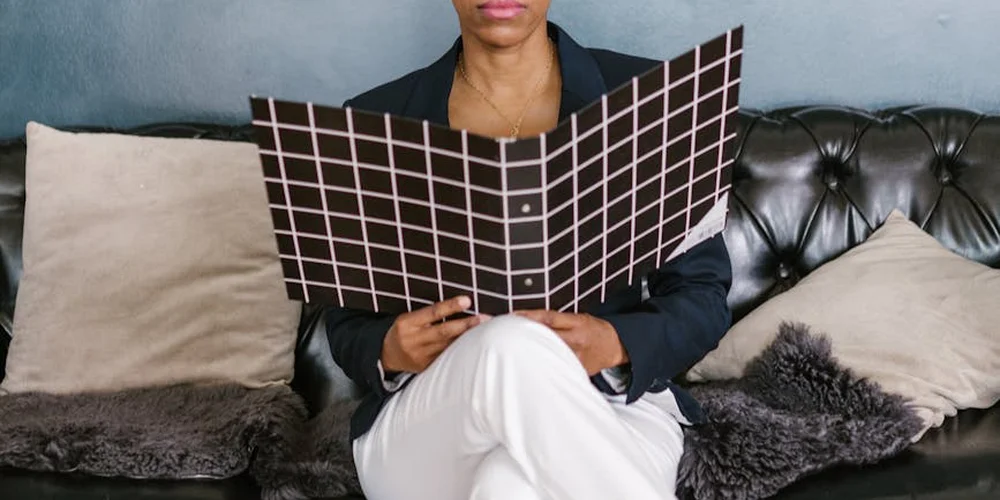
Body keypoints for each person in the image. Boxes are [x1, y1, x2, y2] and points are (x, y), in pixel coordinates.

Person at [326, 1, 733, 499]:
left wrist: (614, 342)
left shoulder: (656, 100)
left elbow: (703, 297)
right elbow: (346, 325)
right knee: (507, 344)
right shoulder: (370, 120)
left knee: (507, 487)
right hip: (429, 424)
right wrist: (390, 348)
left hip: (613, 411)